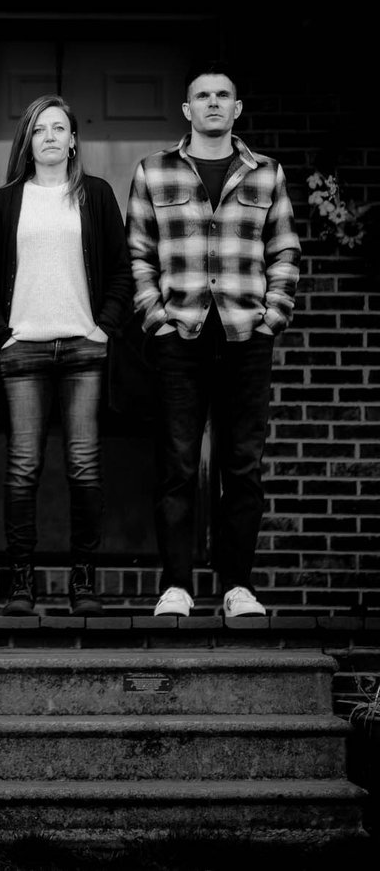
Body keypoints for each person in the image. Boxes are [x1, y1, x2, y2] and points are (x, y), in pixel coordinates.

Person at [126, 64, 301, 620]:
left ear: (237, 108)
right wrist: (156, 317)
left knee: (241, 465)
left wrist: (272, 316)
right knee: (177, 463)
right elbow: (138, 254)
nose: (213, 104)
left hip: (246, 335)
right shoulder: (153, 172)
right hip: (181, 336)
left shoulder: (266, 173)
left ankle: (237, 586)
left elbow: (285, 251)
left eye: (223, 95)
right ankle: (176, 584)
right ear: (187, 110)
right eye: (202, 96)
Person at [0, 95, 133, 617]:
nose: (48, 136)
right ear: (27, 140)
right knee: (23, 467)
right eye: (38, 128)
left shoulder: (96, 195)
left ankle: (82, 584)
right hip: (23, 351)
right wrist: (3, 332)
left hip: (84, 347)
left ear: (72, 140)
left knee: (84, 465)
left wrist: (104, 327)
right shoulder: (6, 201)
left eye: (58, 127)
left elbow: (119, 271)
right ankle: (22, 586)